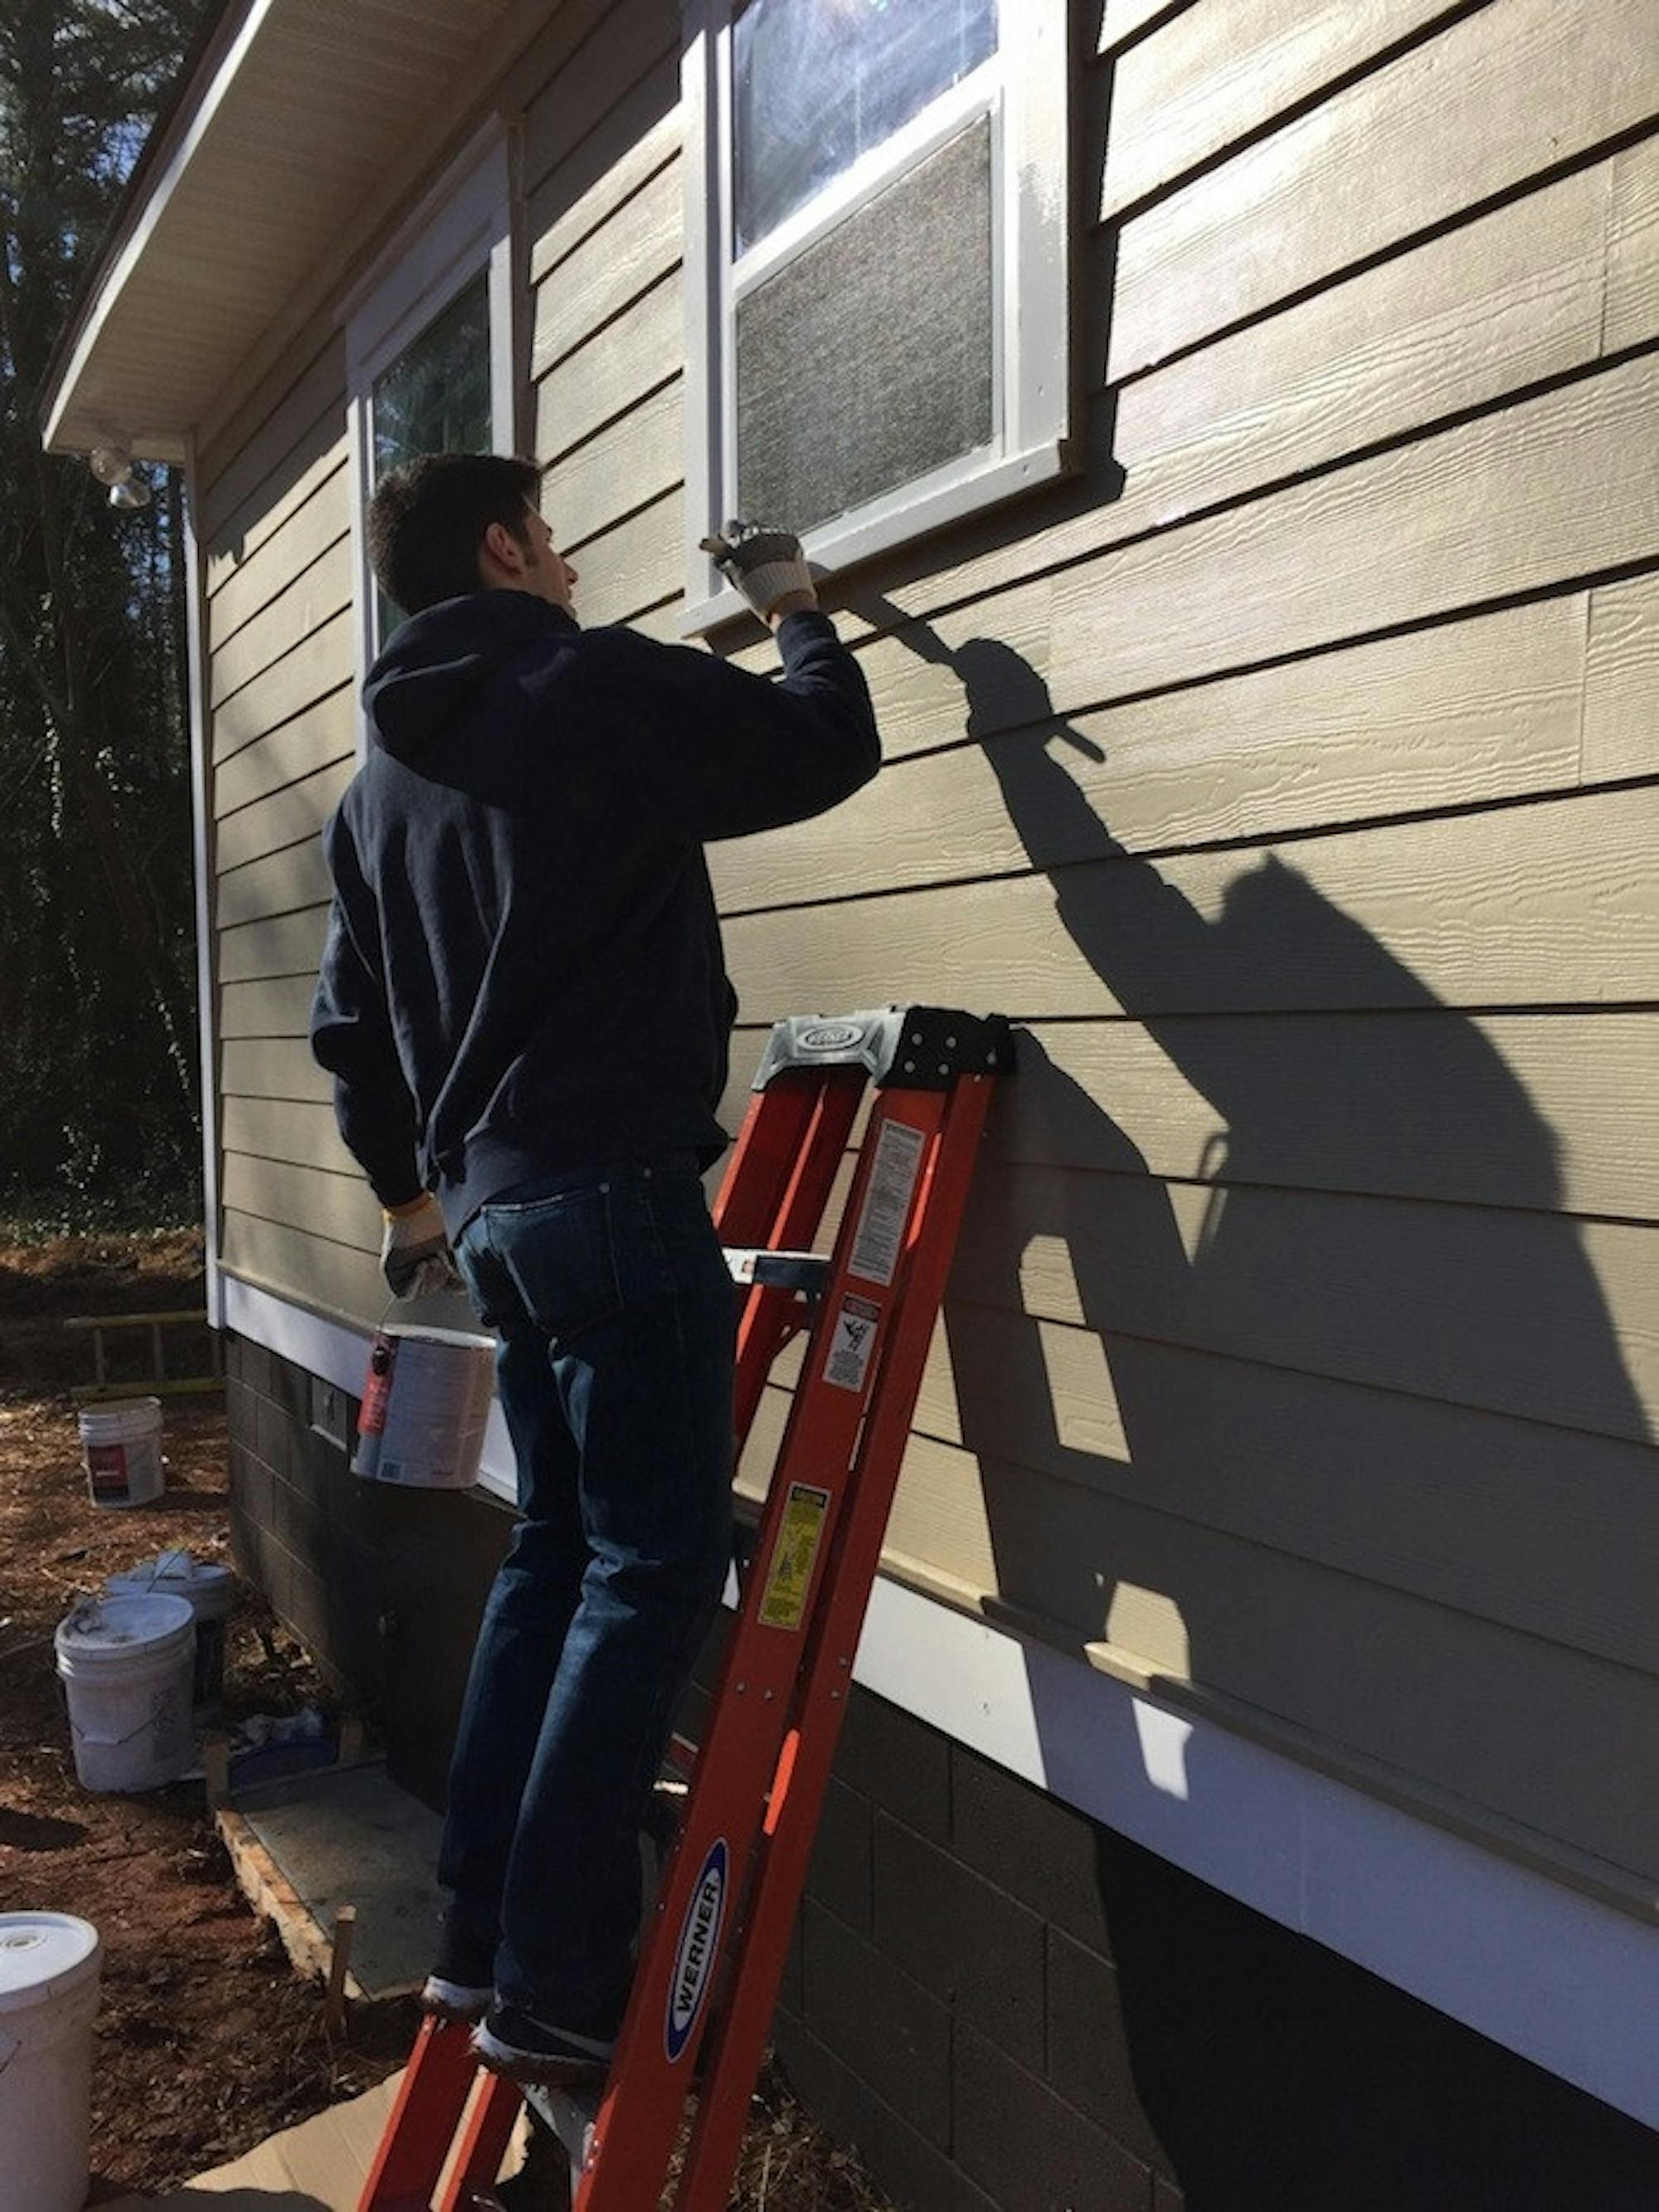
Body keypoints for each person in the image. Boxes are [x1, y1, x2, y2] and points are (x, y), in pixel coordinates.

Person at [309, 454, 879, 2083]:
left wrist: (414, 1202)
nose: (565, 565)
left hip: (494, 1225)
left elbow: (349, 1028)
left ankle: (479, 1946)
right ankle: (563, 1987)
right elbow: (819, 746)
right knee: (643, 1567)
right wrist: (795, 616)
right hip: (616, 1198)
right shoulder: (576, 676)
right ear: (502, 549)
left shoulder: (376, 791)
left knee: (557, 1557)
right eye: (547, 540)